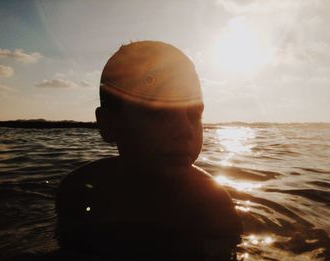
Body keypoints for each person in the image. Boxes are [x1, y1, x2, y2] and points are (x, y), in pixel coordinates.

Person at [55, 41, 242, 260]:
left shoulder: (210, 201)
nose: (184, 130)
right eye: (159, 113)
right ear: (109, 125)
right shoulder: (80, 190)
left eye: (194, 115)